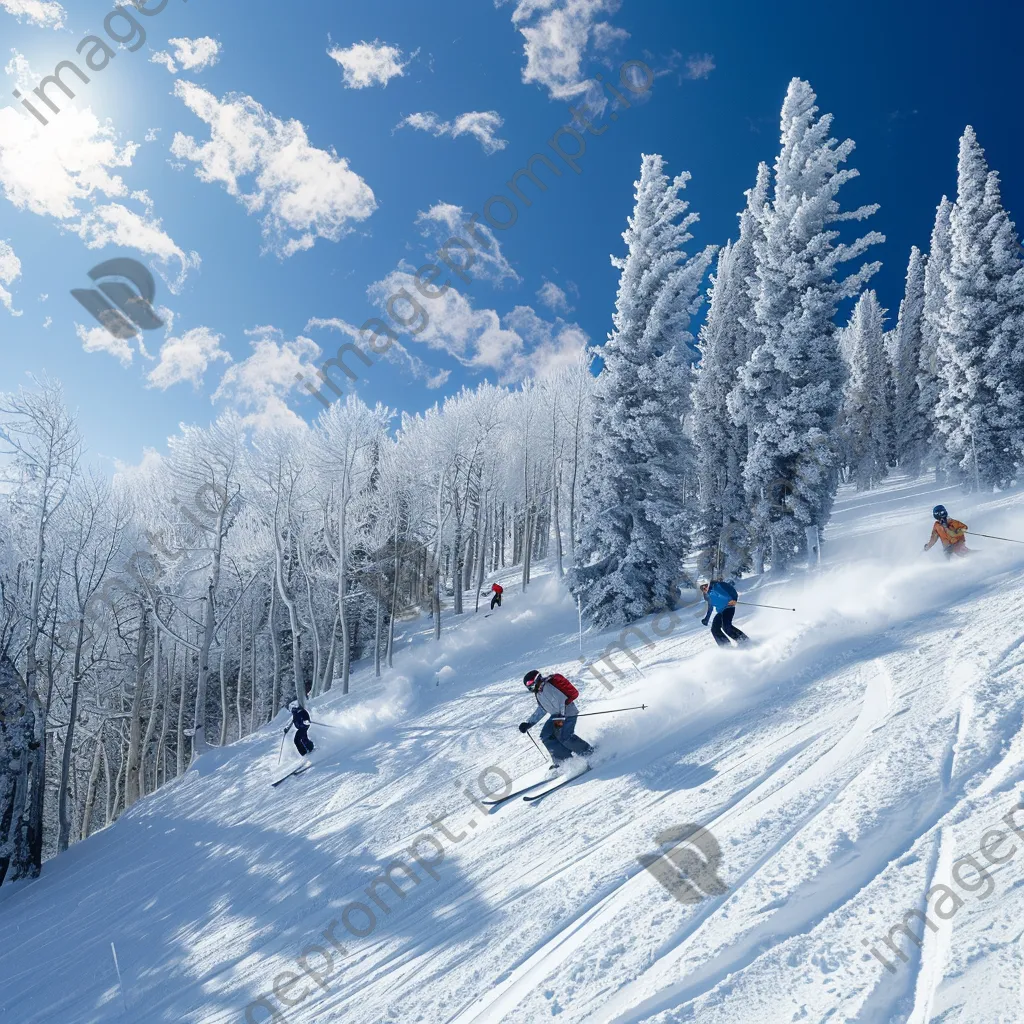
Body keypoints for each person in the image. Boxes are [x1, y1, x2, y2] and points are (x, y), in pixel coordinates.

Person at [519, 669, 594, 762]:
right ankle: (564, 761)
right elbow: (542, 709)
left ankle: (588, 753)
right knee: (546, 736)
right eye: (527, 685)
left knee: (564, 736)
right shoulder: (538, 693)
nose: (529, 686)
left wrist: (560, 719)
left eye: (530, 682)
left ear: (536, 679)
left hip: (567, 713)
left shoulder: (548, 686)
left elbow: (561, 701)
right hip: (556, 717)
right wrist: (529, 723)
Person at [700, 580, 749, 648]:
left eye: (705, 586)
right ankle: (726, 646)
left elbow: (730, 592)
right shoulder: (709, 596)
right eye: (702, 588)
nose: (705, 588)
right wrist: (706, 619)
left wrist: (734, 600)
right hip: (720, 611)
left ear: (707, 584)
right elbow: (710, 608)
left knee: (726, 627)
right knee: (714, 629)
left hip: (729, 607)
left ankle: (744, 640)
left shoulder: (716, 586)